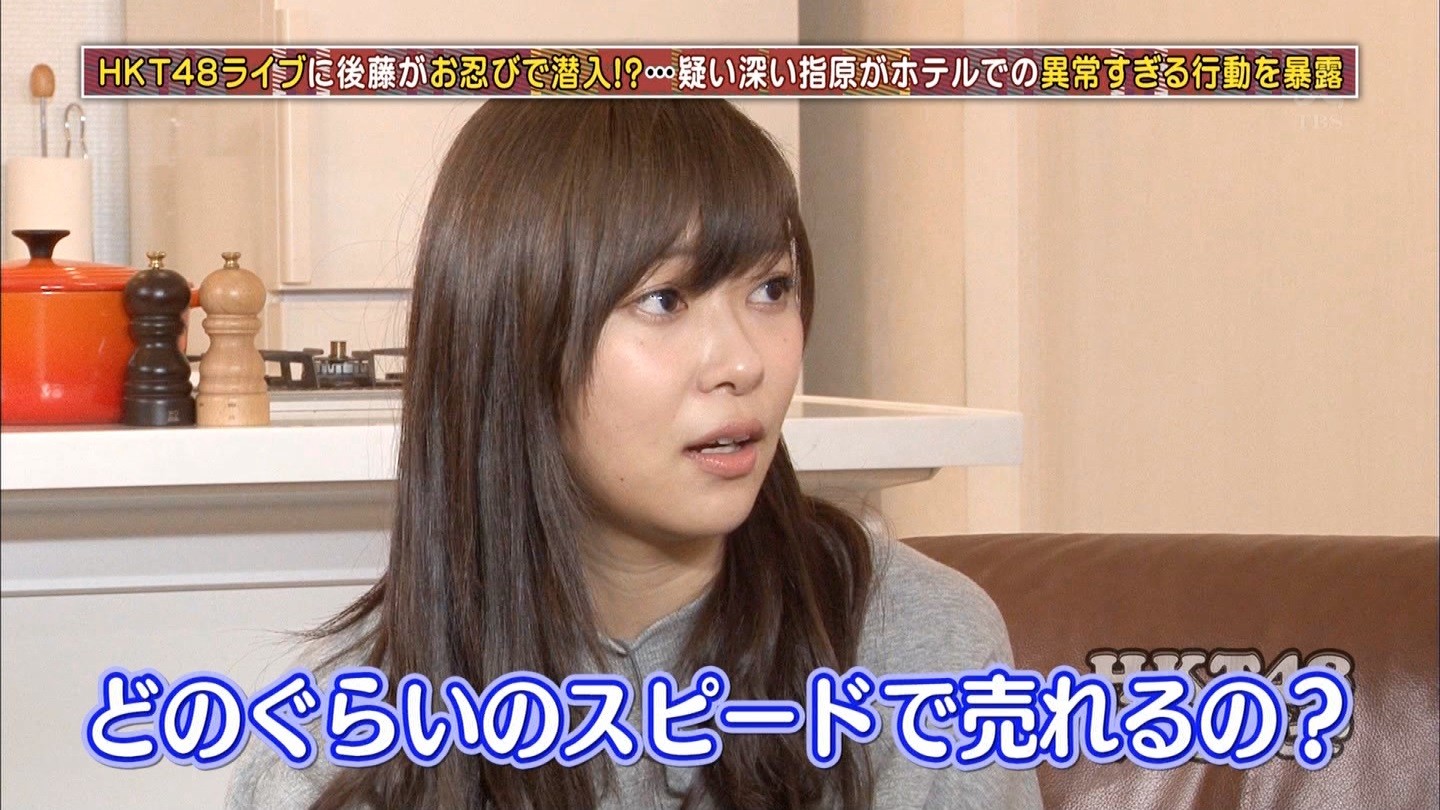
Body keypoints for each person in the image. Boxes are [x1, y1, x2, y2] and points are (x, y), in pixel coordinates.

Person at [226, 99, 1042, 809]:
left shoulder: (920, 649)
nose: (743, 362)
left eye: (772, 289)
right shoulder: (328, 740)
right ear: (514, 337)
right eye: (664, 300)